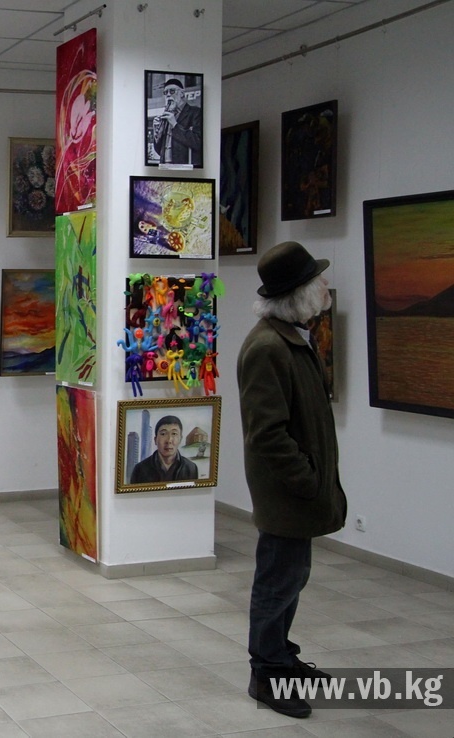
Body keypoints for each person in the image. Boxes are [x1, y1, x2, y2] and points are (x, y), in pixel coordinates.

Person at [237, 241, 347, 719]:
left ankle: (282, 657)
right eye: (317, 281)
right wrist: (306, 480)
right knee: (276, 582)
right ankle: (266, 673)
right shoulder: (268, 348)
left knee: (292, 577)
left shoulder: (291, 339)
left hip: (298, 492)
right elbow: (267, 434)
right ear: (298, 294)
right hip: (286, 493)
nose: (325, 286)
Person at [129, 415, 199, 483]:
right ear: (155, 440)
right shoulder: (140, 469)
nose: (169, 440)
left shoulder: (191, 468)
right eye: (163, 434)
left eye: (174, 434)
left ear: (180, 439)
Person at [151, 77, 203, 167]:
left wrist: (175, 125)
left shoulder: (195, 112)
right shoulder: (167, 116)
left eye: (172, 91)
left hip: (184, 168)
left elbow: (198, 142)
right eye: (165, 92)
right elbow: (160, 151)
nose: (168, 95)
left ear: (182, 93)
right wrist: (157, 134)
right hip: (165, 167)